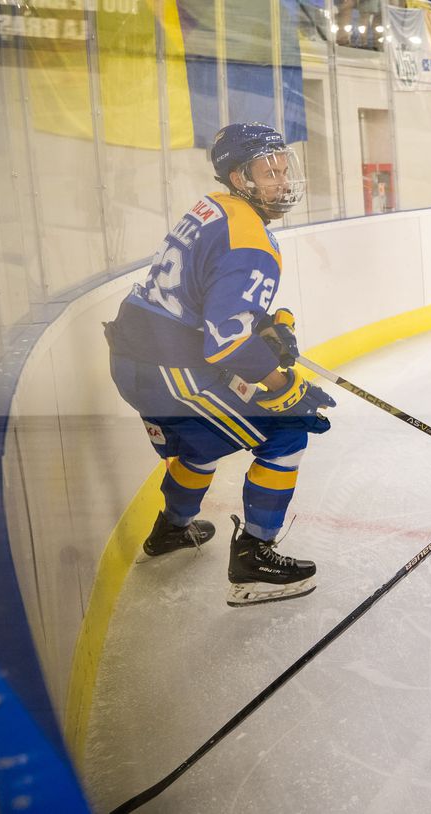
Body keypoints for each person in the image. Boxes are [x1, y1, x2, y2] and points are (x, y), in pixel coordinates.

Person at [104, 122, 335, 607]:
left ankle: (172, 529)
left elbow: (205, 291)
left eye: (281, 168)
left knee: (203, 440)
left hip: (139, 356)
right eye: (267, 172)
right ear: (238, 178)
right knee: (288, 429)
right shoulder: (250, 238)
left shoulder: (214, 207)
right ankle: (254, 558)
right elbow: (226, 345)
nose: (281, 180)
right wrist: (281, 385)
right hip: (168, 369)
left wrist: (264, 323)